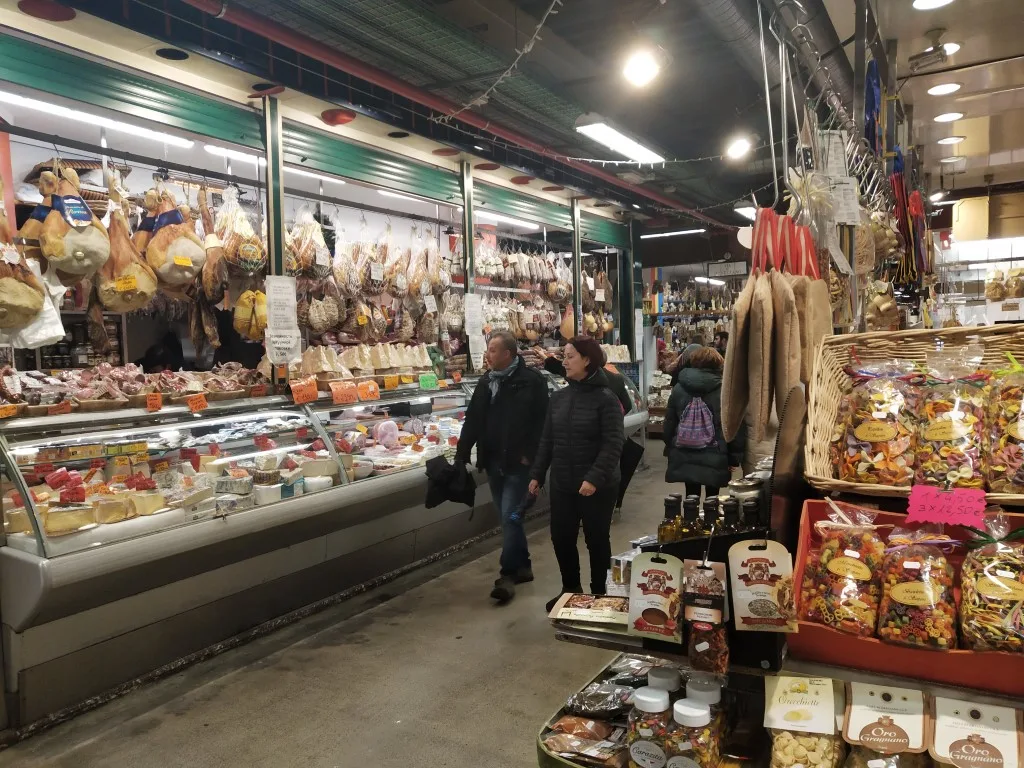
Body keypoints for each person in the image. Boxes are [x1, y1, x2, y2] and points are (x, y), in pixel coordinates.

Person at [528, 337, 624, 612]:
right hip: (562, 482)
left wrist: (593, 478)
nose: (564, 362)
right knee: (561, 537)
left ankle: (600, 593)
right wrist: (537, 474)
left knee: (596, 539)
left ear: (587, 360)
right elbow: (547, 440)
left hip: (599, 485)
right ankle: (570, 589)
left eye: (569, 356)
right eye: (564, 356)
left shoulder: (606, 399)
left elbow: (613, 443)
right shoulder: (559, 397)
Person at [455, 331, 549, 603]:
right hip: (493, 460)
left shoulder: (532, 382)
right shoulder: (487, 381)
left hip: (519, 464)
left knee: (510, 516)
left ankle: (507, 574)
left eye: (493, 350)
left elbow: (543, 423)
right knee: (509, 518)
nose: (488, 354)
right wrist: (462, 455)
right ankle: (524, 565)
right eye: (488, 349)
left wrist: (531, 458)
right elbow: (473, 419)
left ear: (508, 354)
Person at [663, 346, 745, 500]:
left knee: (691, 497)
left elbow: (669, 422)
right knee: (712, 501)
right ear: (718, 364)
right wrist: (734, 457)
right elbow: (734, 426)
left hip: (685, 449)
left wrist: (669, 445)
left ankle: (690, 521)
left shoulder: (679, 388)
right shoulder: (724, 391)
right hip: (715, 453)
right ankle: (710, 521)